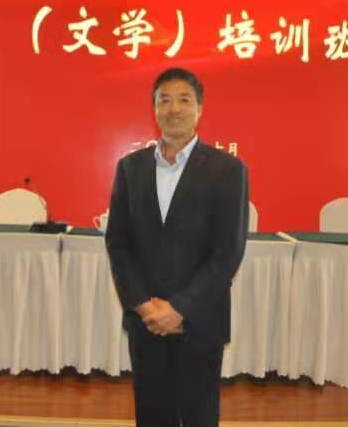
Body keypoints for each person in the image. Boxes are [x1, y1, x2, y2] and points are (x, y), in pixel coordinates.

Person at [105, 67, 249, 427]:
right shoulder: (130, 168)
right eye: (164, 100)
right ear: (154, 109)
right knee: (152, 415)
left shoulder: (228, 170)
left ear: (199, 109)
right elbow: (118, 244)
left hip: (200, 322)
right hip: (146, 322)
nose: (174, 109)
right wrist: (144, 306)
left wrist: (179, 308)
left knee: (199, 416)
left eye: (184, 99)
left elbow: (227, 252)